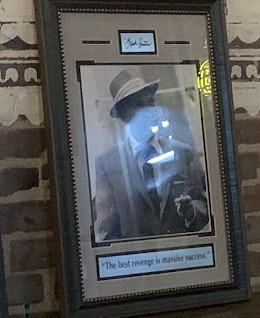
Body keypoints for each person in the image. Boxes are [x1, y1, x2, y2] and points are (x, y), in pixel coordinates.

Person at [90, 70, 212, 245]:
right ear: (125, 115)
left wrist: (191, 211)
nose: (150, 111)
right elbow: (106, 228)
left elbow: (204, 205)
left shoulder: (182, 152)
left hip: (180, 256)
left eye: (151, 102)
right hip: (137, 259)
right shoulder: (108, 164)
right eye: (140, 105)